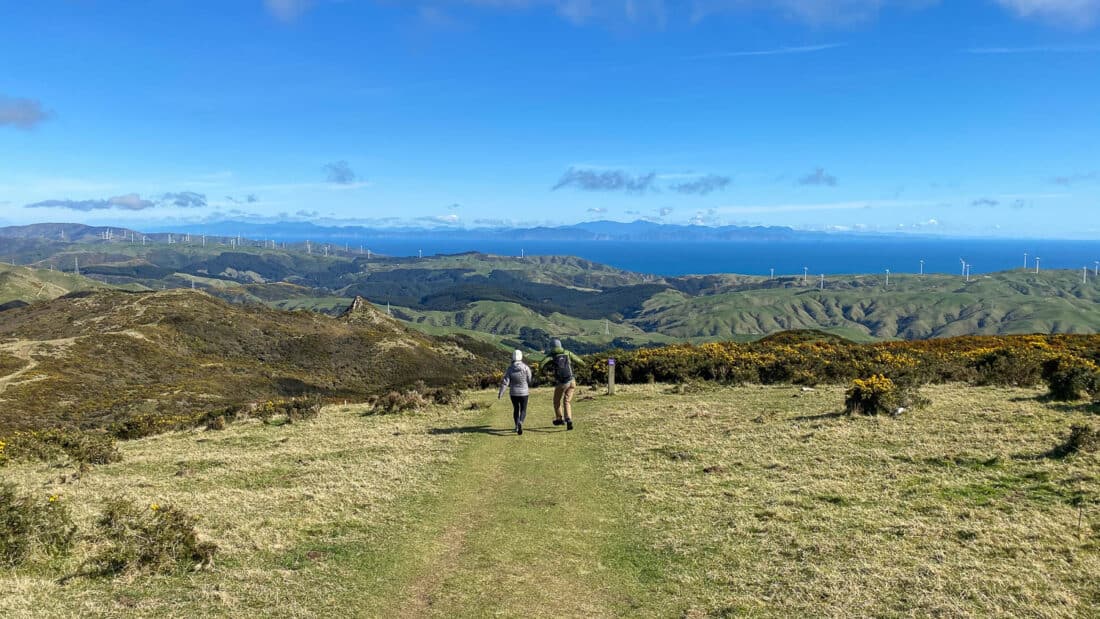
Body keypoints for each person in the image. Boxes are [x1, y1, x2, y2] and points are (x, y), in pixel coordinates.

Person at [545, 339, 582, 430]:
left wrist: (540, 373)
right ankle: (568, 419)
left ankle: (559, 419)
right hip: (572, 381)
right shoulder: (567, 353)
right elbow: (579, 361)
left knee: (556, 401)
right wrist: (585, 365)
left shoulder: (552, 356)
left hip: (561, 383)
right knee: (567, 401)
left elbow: (542, 364)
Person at [498, 349, 533, 435]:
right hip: (524, 392)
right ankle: (521, 421)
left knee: (516, 409)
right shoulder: (525, 367)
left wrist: (501, 393)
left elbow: (505, 382)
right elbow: (529, 379)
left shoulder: (510, 369)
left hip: (513, 393)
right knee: (523, 410)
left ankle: (517, 426)